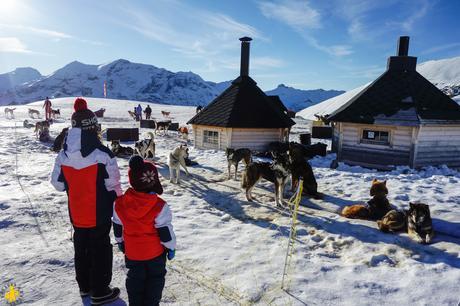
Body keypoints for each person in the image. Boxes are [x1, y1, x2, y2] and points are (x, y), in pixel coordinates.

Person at [51, 98, 122, 305]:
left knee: (81, 249)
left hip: (77, 213)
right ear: (93, 128)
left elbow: (57, 184)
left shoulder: (63, 155)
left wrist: (73, 186)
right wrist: (117, 205)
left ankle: (85, 287)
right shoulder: (103, 154)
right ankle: (100, 290)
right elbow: (113, 185)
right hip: (99, 213)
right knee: (100, 249)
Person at [113, 155, 176, 306]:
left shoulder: (119, 203)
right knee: (155, 282)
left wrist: (120, 242)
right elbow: (165, 233)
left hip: (133, 253)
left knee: (135, 281)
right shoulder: (160, 206)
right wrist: (170, 248)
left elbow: (117, 226)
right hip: (155, 254)